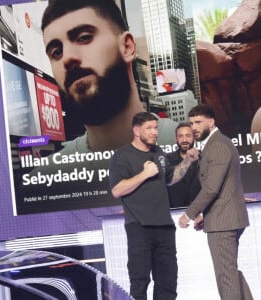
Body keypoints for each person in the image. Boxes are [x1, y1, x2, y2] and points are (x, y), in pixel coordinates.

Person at [41, 0, 177, 155]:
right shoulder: (46, 177)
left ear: (127, 47)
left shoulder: (198, 150)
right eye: (56, 52)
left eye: (84, 37)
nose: (67, 58)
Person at [109, 112, 199, 300]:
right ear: (136, 130)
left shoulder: (158, 153)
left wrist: (188, 160)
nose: (154, 132)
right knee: (140, 282)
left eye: (156, 128)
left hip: (165, 227)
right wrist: (144, 174)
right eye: (149, 128)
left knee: (168, 282)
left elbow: (170, 178)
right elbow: (117, 190)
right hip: (139, 227)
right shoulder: (122, 156)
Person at [179, 104, 253, 300]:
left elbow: (212, 188)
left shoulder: (218, 145)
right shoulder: (216, 144)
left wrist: (190, 213)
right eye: (191, 122)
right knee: (230, 272)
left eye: (198, 122)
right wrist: (205, 214)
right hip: (224, 218)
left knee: (226, 277)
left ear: (211, 122)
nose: (193, 127)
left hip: (223, 222)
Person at [167, 122, 200, 208]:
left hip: (200, 212)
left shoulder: (204, 158)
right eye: (180, 136)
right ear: (176, 139)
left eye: (188, 135)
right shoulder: (167, 159)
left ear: (194, 137)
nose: (184, 140)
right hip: (175, 212)